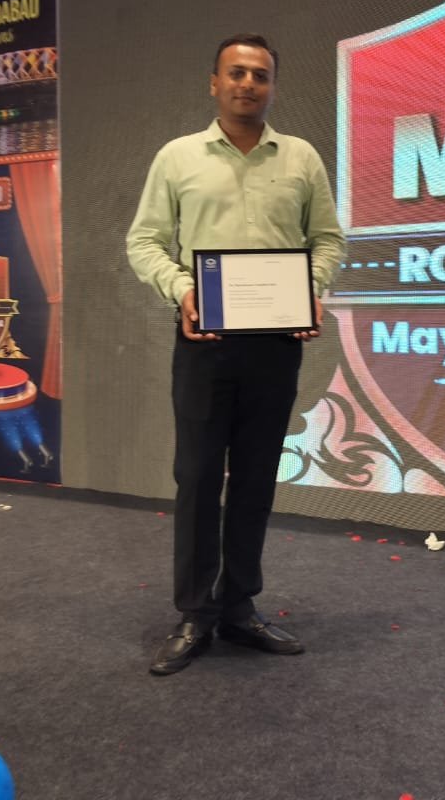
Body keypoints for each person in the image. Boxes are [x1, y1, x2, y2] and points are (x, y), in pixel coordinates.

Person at [126, 34, 346, 676]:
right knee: (197, 475)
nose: (248, 83)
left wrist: (311, 292)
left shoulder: (300, 158)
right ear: (214, 83)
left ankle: (239, 606)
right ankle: (196, 611)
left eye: (260, 75)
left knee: (255, 476)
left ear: (272, 86)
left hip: (276, 345)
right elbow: (144, 242)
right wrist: (182, 291)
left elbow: (328, 239)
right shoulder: (177, 157)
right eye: (237, 73)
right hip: (205, 342)